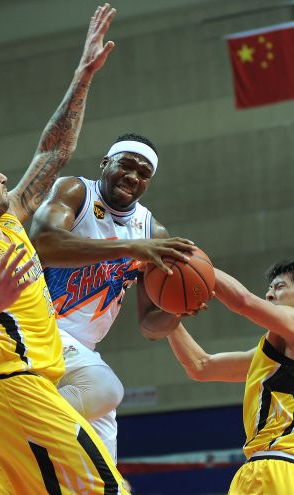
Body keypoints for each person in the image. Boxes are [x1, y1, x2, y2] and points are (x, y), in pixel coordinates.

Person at [0, 4, 131, 494]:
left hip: (22, 391)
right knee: (106, 488)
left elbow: (53, 152)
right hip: (15, 392)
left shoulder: (10, 223)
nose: (2, 176)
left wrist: (82, 76)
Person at [29, 132, 197, 462]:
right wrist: (129, 248)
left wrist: (179, 308)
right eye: (127, 165)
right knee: (106, 388)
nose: (134, 177)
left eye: (144, 173)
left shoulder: (152, 231)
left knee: (103, 466)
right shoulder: (75, 191)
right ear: (106, 163)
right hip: (41, 327)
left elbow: (149, 327)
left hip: (84, 348)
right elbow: (44, 245)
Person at [168, 259, 294, 495]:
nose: (269, 294)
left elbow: (244, 301)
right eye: (269, 288)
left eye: (279, 287)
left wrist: (188, 262)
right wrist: (170, 314)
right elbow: (201, 367)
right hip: (272, 470)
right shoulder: (275, 356)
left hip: (283, 470)